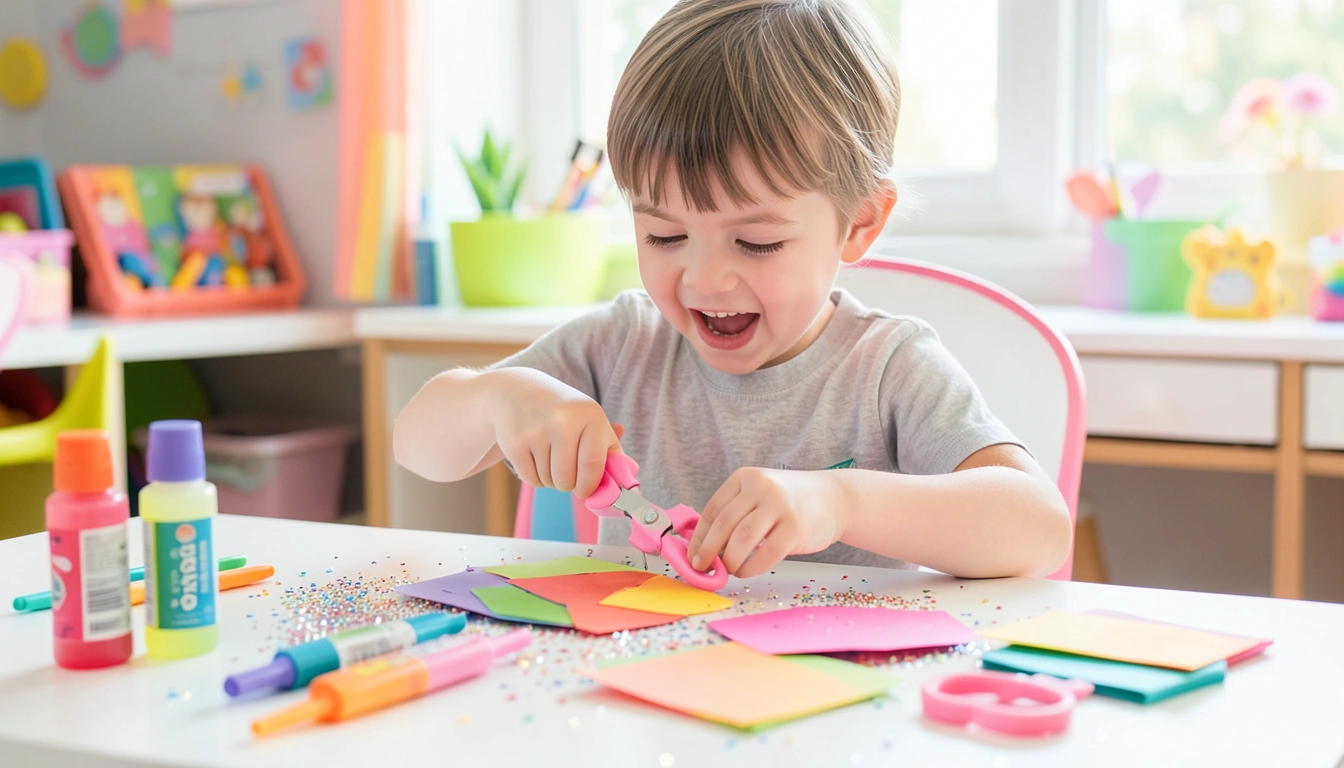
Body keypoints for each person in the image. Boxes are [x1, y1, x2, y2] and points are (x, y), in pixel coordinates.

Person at [395, 0, 1071, 580]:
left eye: (757, 243)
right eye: (663, 237)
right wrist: (500, 398)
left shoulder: (889, 369)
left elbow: (1040, 529)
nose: (705, 279)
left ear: (859, 223)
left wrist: (838, 502)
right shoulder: (623, 345)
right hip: (643, 701)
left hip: (838, 708)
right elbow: (415, 445)